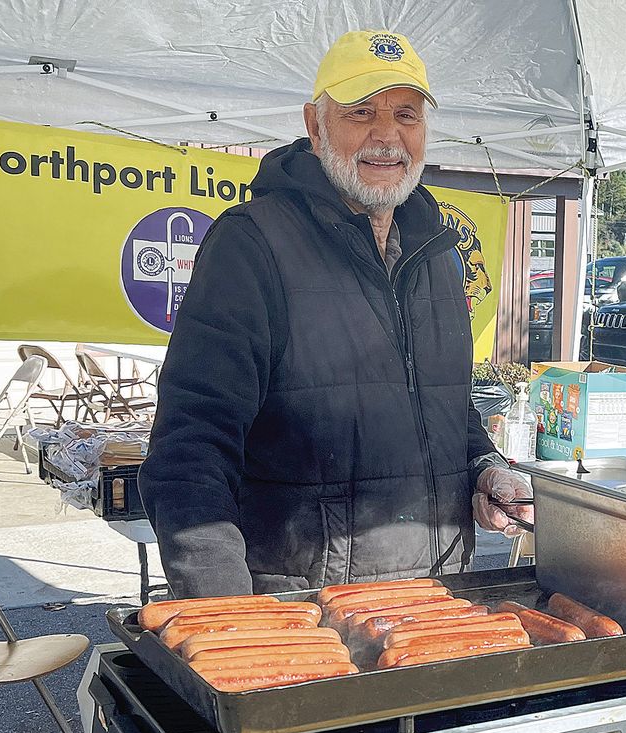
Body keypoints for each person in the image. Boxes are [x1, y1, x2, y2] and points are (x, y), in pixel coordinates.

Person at [139, 30, 531, 599]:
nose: (386, 137)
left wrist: (482, 466)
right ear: (315, 126)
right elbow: (191, 446)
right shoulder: (251, 245)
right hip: (304, 607)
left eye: (406, 114)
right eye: (360, 113)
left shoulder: (438, 255)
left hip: (439, 599)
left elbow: (445, 406)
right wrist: (225, 612)